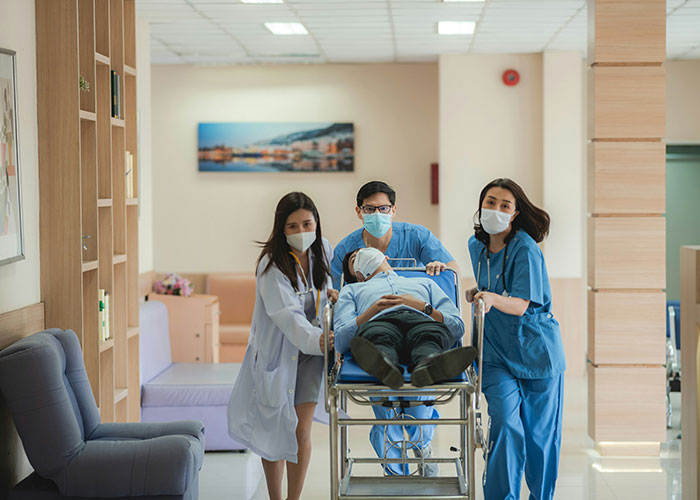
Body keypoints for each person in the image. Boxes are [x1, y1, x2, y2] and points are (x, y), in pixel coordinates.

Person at [227, 192, 335, 500]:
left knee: (302, 431)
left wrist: (332, 308)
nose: (302, 232)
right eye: (292, 226)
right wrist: (321, 339)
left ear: (316, 223)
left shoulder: (324, 251)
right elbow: (288, 317)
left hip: (312, 358)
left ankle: (293, 499)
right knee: (273, 431)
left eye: (307, 223)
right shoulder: (270, 265)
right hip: (280, 354)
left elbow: (325, 294)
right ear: (281, 229)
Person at [334, 247, 476, 475]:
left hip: (424, 321)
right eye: (354, 259)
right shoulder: (352, 289)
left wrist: (423, 307)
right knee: (379, 340)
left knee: (428, 342)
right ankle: (383, 364)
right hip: (378, 324)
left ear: (385, 257)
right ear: (356, 274)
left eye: (365, 251)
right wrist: (371, 311)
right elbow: (341, 340)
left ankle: (428, 364)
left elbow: (456, 326)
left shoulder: (426, 283)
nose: (362, 255)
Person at [466, 178, 566, 500]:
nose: (495, 209)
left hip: (536, 351)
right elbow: (492, 285)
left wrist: (492, 298)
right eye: (490, 202)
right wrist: (479, 293)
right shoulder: (475, 246)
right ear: (481, 206)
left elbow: (521, 304)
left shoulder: (525, 248)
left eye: (504, 205)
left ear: (515, 213)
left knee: (540, 438)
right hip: (495, 351)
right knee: (506, 427)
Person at [330, 181, 459, 289]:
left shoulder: (416, 236)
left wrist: (441, 268)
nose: (377, 214)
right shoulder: (346, 249)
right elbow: (335, 292)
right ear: (359, 212)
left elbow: (453, 271)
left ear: (393, 210)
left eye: (384, 208)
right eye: (369, 209)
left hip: (413, 308)